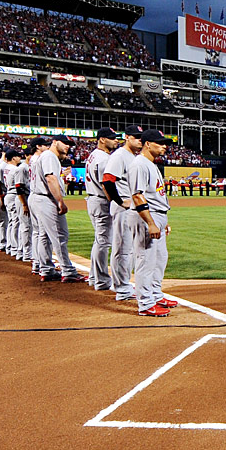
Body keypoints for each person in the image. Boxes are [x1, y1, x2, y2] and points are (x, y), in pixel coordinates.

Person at [127, 130, 174, 317]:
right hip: (146, 217)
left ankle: (155, 295)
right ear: (147, 144)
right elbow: (137, 196)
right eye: (159, 143)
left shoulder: (150, 164)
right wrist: (151, 223)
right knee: (146, 261)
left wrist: (162, 222)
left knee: (160, 259)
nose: (164, 146)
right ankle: (146, 303)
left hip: (156, 215)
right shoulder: (139, 164)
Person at [28, 135, 87, 283]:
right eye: (64, 143)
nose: (67, 146)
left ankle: (46, 269)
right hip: (45, 198)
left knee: (44, 235)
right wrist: (60, 201)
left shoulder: (44, 156)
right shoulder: (50, 156)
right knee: (59, 235)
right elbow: (50, 178)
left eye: (69, 144)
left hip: (37, 197)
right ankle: (68, 271)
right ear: (54, 142)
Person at [102, 125, 147, 303]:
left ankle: (122, 284)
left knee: (128, 249)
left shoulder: (132, 156)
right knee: (123, 249)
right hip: (123, 209)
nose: (140, 140)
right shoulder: (119, 155)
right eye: (136, 137)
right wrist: (120, 201)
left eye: (141, 137)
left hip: (130, 208)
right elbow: (107, 181)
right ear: (127, 137)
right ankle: (121, 288)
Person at [85, 128, 120, 293]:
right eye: (112, 138)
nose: (116, 141)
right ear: (102, 139)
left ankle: (94, 277)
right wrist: (114, 203)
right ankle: (101, 280)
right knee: (103, 241)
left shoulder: (94, 155)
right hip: (101, 201)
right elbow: (106, 184)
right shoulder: (104, 158)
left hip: (93, 199)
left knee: (99, 240)